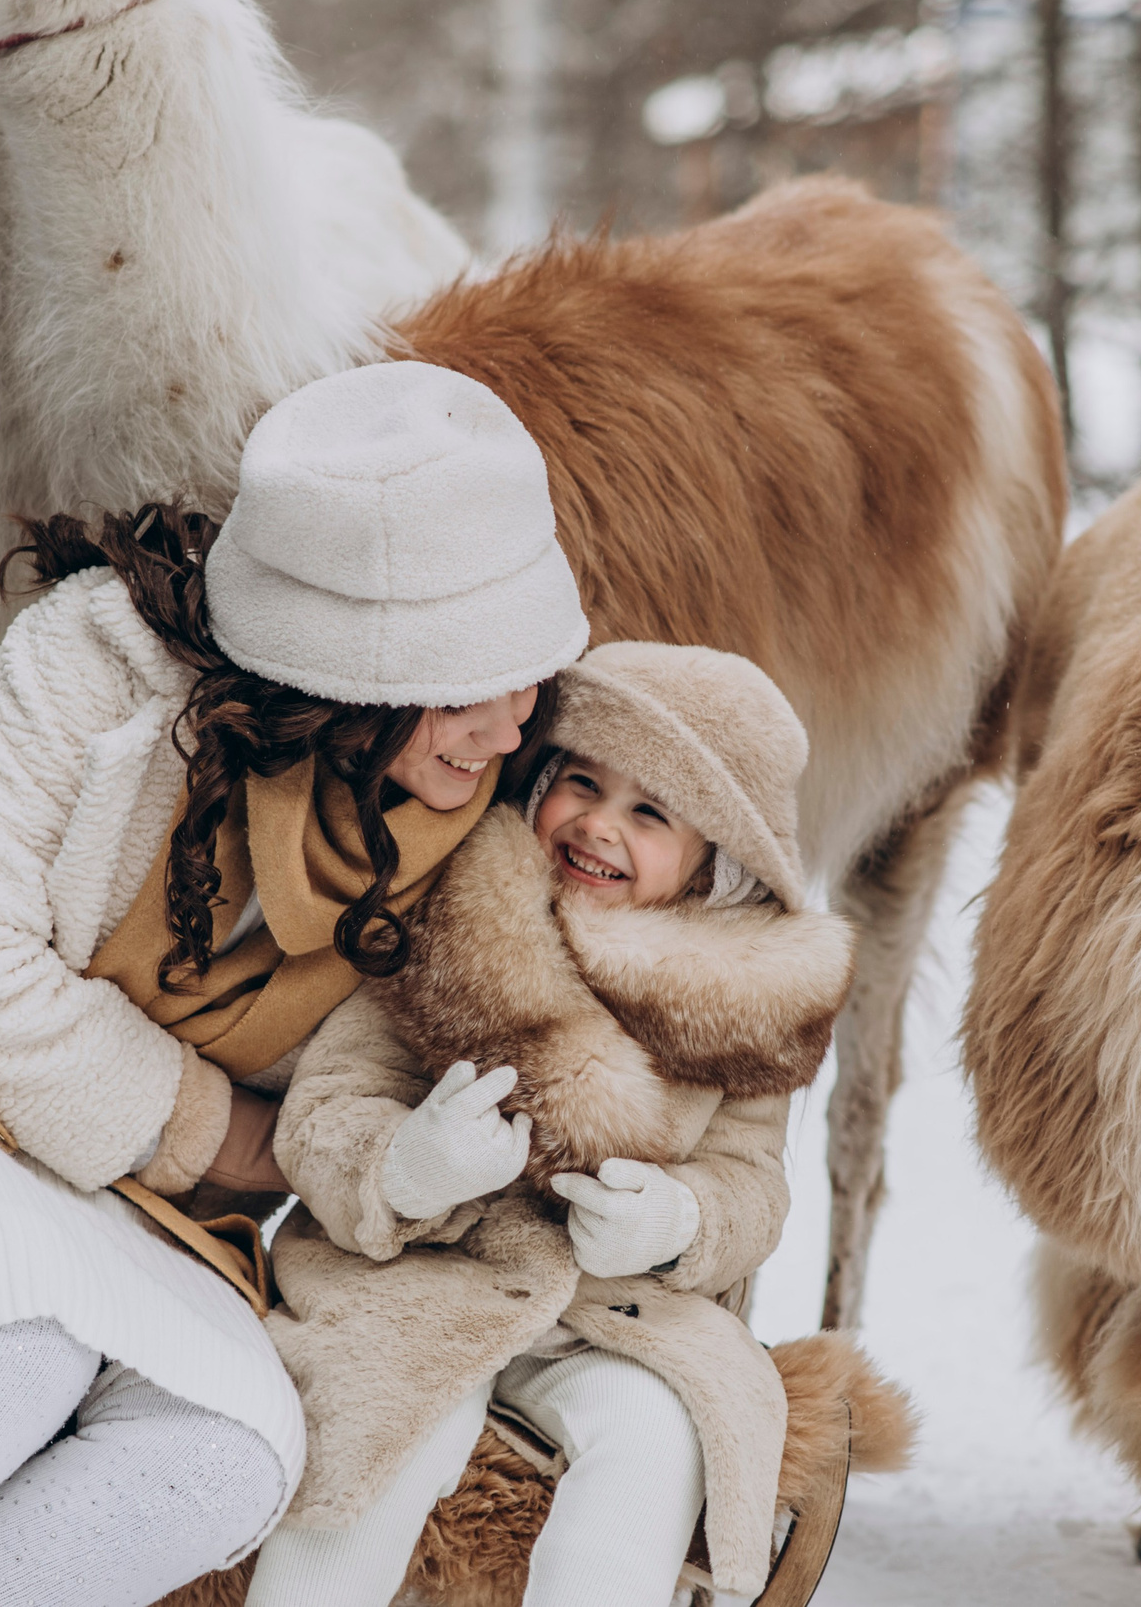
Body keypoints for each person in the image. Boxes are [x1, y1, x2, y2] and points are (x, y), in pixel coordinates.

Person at [0, 361, 591, 1607]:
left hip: (142, 1212)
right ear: (351, 683)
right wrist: (222, 1133)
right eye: (469, 684)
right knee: (3, 1352)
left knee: (224, 1456)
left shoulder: (485, 822)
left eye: (529, 670)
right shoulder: (99, 666)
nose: (513, 722)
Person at [247, 642, 857, 1607]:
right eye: (582, 782)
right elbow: (327, 1106)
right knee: (393, 1421)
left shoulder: (745, 1006)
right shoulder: (449, 911)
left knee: (655, 1429)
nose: (599, 825)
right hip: (417, 1277)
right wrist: (406, 1165)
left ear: (717, 862)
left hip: (610, 1318)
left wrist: (683, 1221)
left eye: (649, 811)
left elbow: (754, 1183)